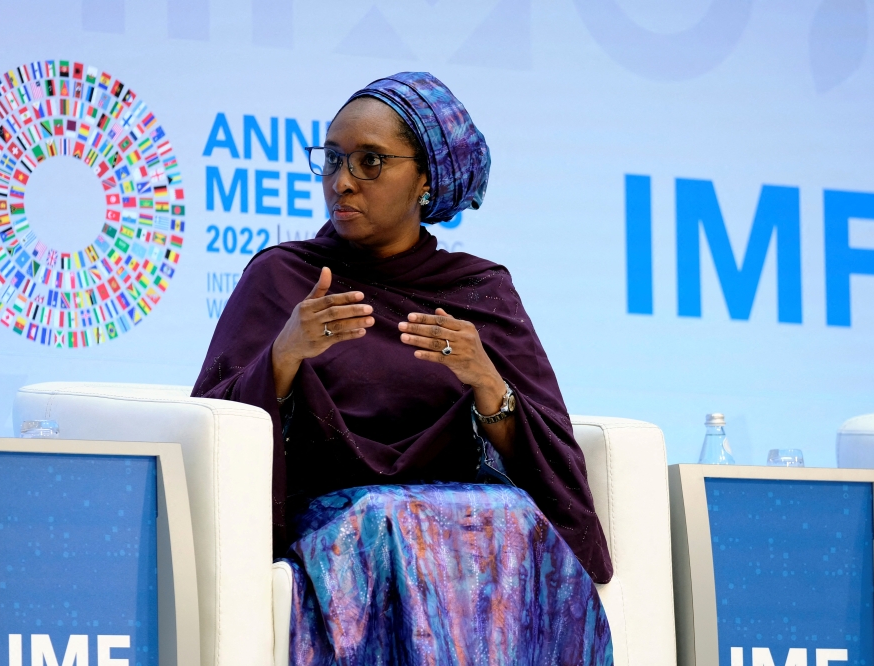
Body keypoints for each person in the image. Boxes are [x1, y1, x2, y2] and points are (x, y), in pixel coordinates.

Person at [192, 72, 613, 666]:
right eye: (332, 159)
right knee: (385, 521)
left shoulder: (477, 289)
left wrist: (487, 381)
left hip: (468, 516)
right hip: (342, 518)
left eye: (370, 162)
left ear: (424, 179)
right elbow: (214, 426)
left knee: (512, 519)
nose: (341, 183)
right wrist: (283, 356)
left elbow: (550, 463)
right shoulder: (285, 278)